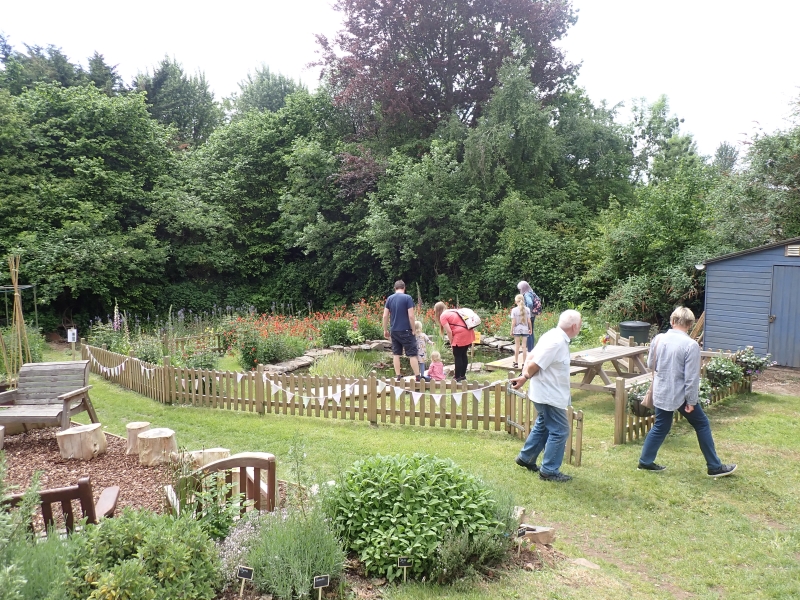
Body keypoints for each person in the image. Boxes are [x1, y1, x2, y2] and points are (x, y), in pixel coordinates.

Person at [638, 307, 737, 477]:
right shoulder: (690, 345)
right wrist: (691, 401)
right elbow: (691, 378)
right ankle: (714, 466)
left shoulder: (658, 339)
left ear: (672, 321)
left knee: (661, 426)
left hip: (662, 390)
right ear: (690, 324)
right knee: (702, 424)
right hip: (681, 395)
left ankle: (645, 462)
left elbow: (650, 365)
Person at [511, 309, 582, 482]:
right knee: (560, 430)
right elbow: (534, 363)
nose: (580, 327)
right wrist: (524, 377)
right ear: (574, 326)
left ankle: (526, 458)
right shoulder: (556, 342)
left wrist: (524, 376)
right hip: (549, 395)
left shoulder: (553, 335)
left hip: (544, 393)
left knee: (543, 425)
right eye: (580, 324)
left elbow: (531, 356)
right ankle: (549, 470)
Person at [382, 280, 421, 381]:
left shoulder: (389, 299)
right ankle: (417, 376)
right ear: (404, 288)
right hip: (406, 330)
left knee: (396, 353)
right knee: (412, 354)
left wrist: (385, 330)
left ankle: (398, 376)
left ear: (395, 288)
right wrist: (413, 329)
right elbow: (411, 316)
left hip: (394, 330)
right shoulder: (407, 298)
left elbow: (385, 315)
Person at [434, 302, 475, 382]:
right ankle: (462, 376)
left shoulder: (443, 316)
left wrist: (452, 343)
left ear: (438, 310)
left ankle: (457, 377)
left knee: (458, 356)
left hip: (460, 334)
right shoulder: (452, 311)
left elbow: (449, 332)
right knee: (463, 354)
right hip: (468, 331)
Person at [517, 281, 542, 353]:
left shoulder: (527, 294)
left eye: (520, 289)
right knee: (531, 332)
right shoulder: (531, 292)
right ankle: (532, 349)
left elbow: (530, 303)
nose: (520, 290)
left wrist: (527, 312)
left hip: (529, 316)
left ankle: (530, 351)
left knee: (528, 333)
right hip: (533, 316)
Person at [510, 294, 532, 369]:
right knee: (524, 347)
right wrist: (530, 329)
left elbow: (513, 322)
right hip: (525, 329)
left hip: (516, 329)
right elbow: (529, 321)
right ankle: (524, 363)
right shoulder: (527, 309)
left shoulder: (514, 310)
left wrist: (512, 330)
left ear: (516, 301)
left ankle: (516, 363)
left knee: (517, 346)